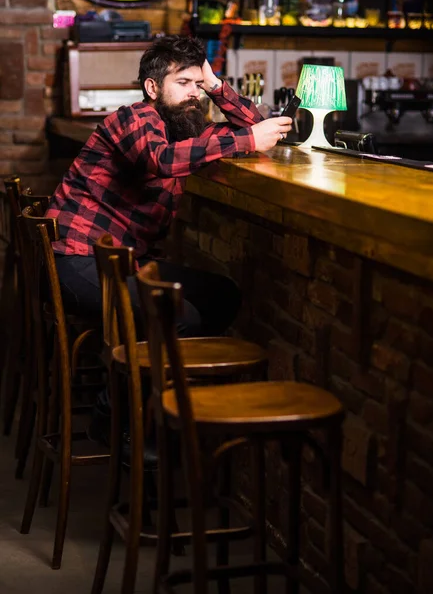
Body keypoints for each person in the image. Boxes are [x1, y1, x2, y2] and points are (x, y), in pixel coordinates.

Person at [46, 35, 292, 450]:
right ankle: (118, 416)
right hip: (75, 260)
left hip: (121, 260)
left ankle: (151, 409)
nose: (193, 94)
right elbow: (161, 160)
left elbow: (257, 127)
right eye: (184, 83)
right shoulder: (132, 119)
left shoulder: (187, 130)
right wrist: (247, 141)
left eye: (197, 85)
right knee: (182, 320)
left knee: (221, 296)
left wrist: (214, 85)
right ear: (153, 89)